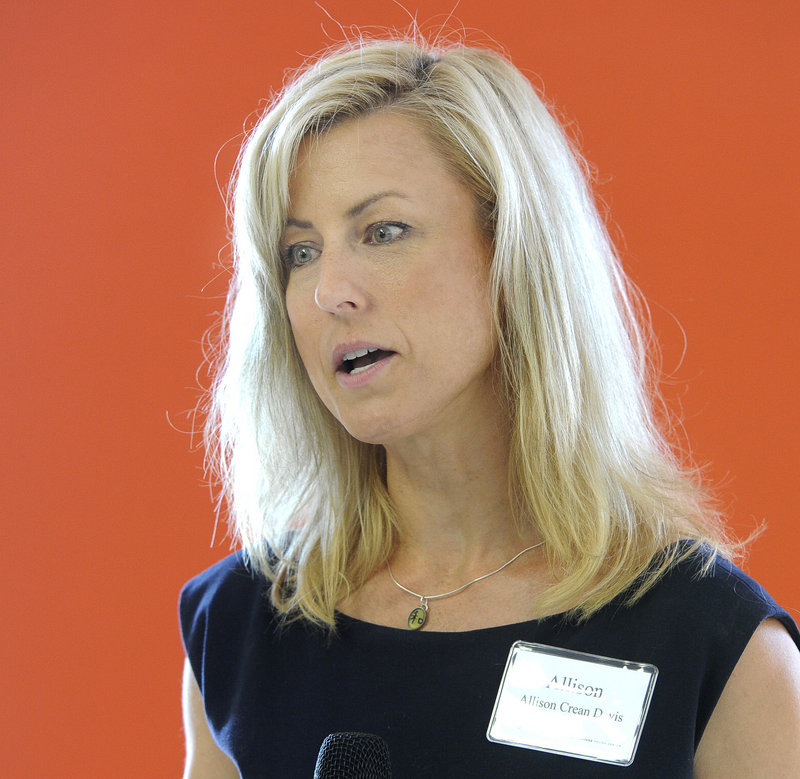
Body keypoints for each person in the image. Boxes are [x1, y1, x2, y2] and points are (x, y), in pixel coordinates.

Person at [179, 36, 800, 778]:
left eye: (383, 232)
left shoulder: (712, 646)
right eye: (299, 252)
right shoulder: (242, 627)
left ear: (511, 253)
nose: (329, 290)